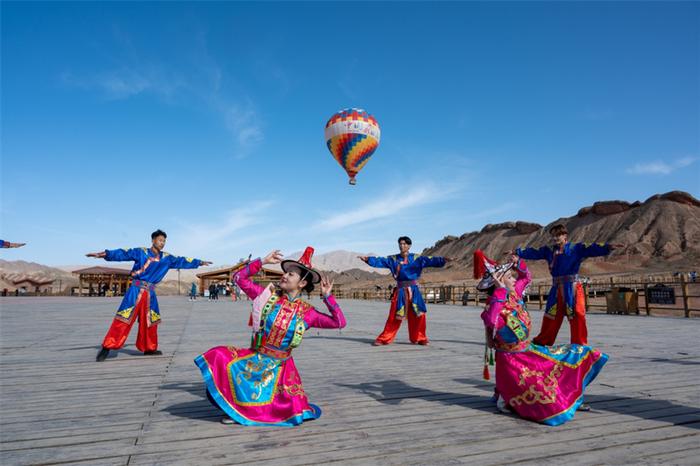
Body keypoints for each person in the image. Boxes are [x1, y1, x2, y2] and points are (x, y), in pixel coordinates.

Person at [195, 247, 346, 426]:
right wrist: (263, 261)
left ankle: (242, 412)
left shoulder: (308, 313)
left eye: (291, 275)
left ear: (302, 283)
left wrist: (328, 297)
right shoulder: (267, 296)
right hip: (256, 356)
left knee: (285, 407)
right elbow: (238, 278)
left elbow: (339, 322)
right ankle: (238, 411)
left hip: (281, 368)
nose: (285, 276)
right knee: (218, 356)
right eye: (286, 272)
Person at [474, 250, 608, 425]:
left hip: (528, 351)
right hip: (514, 362)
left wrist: (518, 263)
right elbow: (492, 320)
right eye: (509, 277)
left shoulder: (513, 294)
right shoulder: (494, 305)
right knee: (547, 396)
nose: (514, 279)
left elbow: (526, 278)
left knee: (578, 352)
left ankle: (573, 397)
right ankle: (510, 397)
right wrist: (499, 292)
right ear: (499, 281)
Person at [86, 229, 211, 362]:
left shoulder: (167, 258)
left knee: (150, 321)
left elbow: (182, 260)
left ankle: (149, 348)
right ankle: (107, 346)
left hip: (150, 293)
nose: (162, 243)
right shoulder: (141, 252)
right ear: (153, 240)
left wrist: (199, 262)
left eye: (164, 241)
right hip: (135, 291)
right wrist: (103, 254)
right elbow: (123, 253)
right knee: (123, 318)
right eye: (160, 240)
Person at [513, 224, 623, 346]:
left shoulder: (576, 248)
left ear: (565, 235)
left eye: (558, 235)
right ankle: (543, 341)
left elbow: (592, 248)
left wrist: (607, 247)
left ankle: (579, 344)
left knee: (577, 316)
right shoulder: (549, 250)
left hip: (573, 288)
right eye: (553, 236)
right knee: (551, 315)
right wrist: (517, 252)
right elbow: (533, 252)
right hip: (556, 288)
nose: (555, 238)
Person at [359, 236, 448, 346]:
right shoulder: (393, 259)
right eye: (400, 244)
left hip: (414, 291)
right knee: (394, 316)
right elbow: (381, 260)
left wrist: (443, 260)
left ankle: (420, 338)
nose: (402, 246)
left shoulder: (416, 258)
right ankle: (384, 339)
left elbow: (430, 260)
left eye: (405, 244)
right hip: (400, 290)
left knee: (419, 315)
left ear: (409, 245)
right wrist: (368, 259)